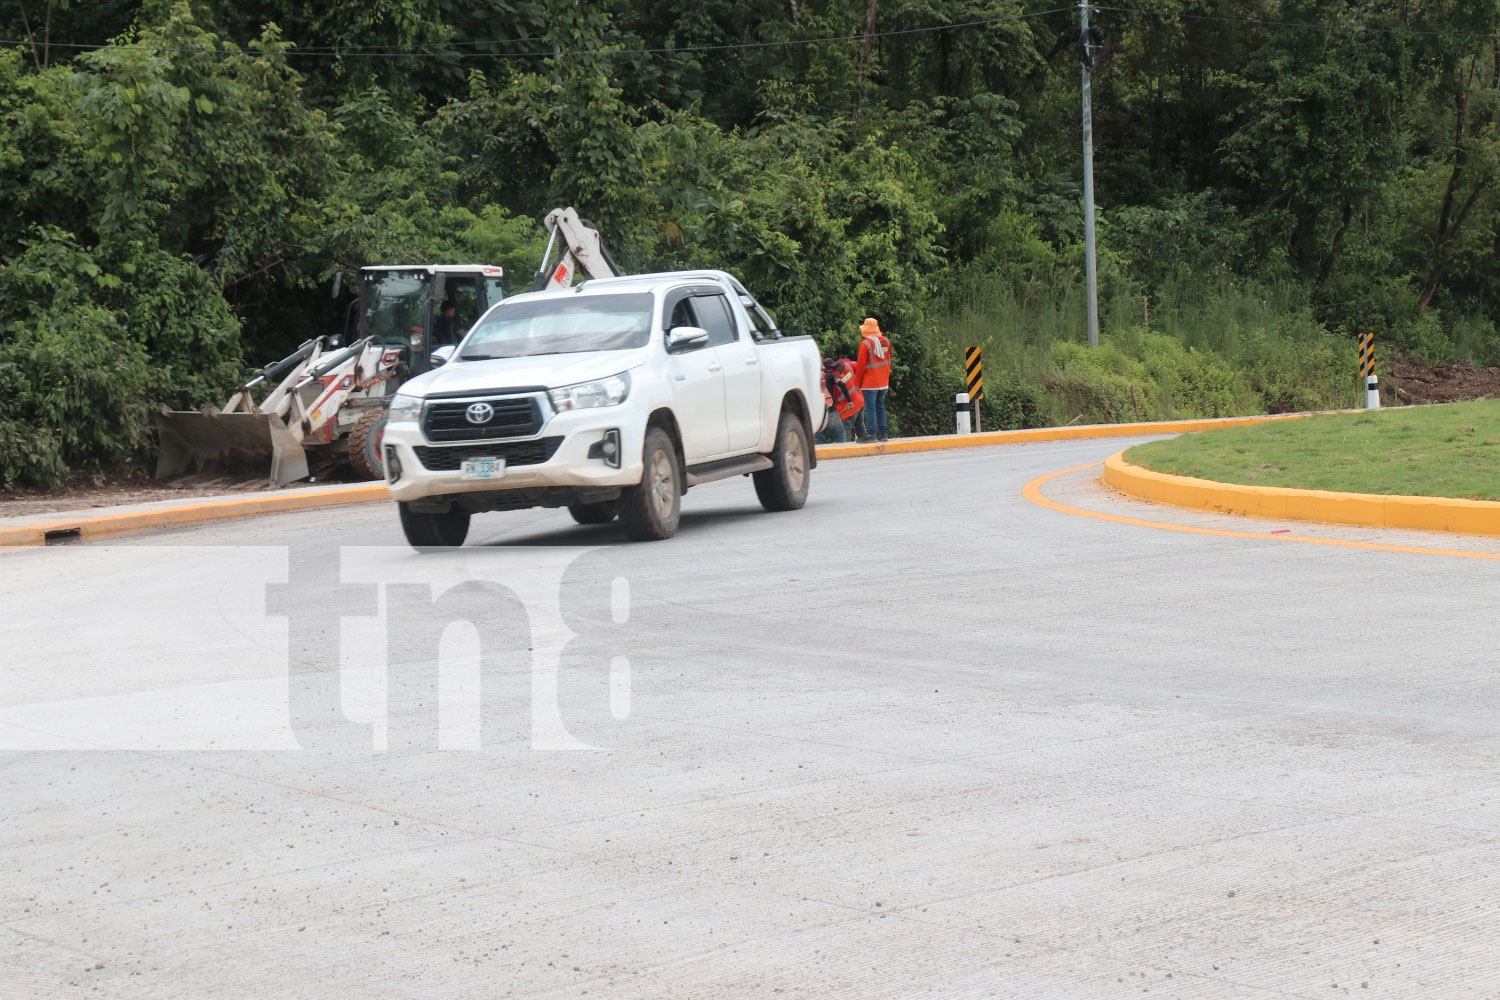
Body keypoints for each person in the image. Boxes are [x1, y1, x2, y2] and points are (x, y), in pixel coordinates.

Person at [852, 317, 892, 441]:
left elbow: (860, 366)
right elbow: (889, 361)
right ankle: (883, 435)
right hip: (883, 381)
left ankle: (871, 435)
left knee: (870, 408)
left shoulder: (865, 344)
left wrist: (857, 383)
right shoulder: (886, 341)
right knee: (880, 407)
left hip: (870, 383)